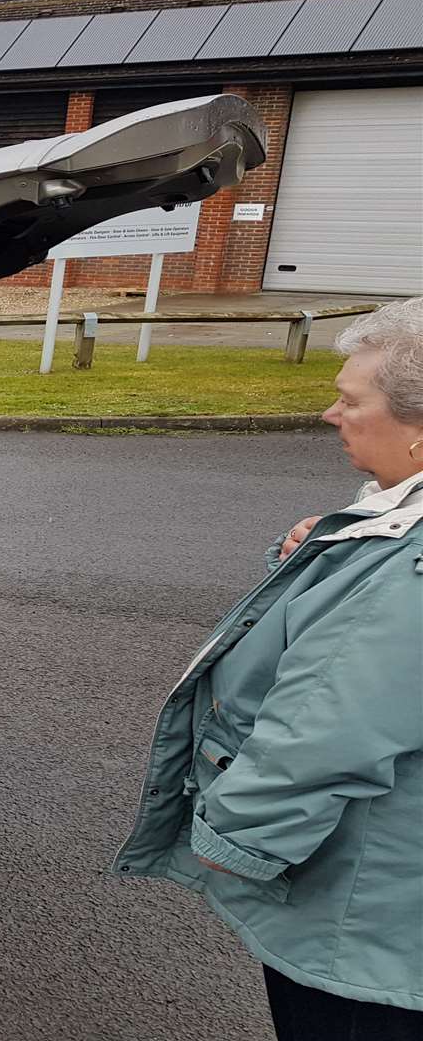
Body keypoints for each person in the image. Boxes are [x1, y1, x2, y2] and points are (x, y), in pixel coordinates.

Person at [116, 297, 423, 1040]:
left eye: (351, 400)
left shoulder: (410, 567)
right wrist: (334, 546)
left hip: (369, 921)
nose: (331, 413)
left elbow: (324, 731)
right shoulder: (393, 524)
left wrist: (234, 842)